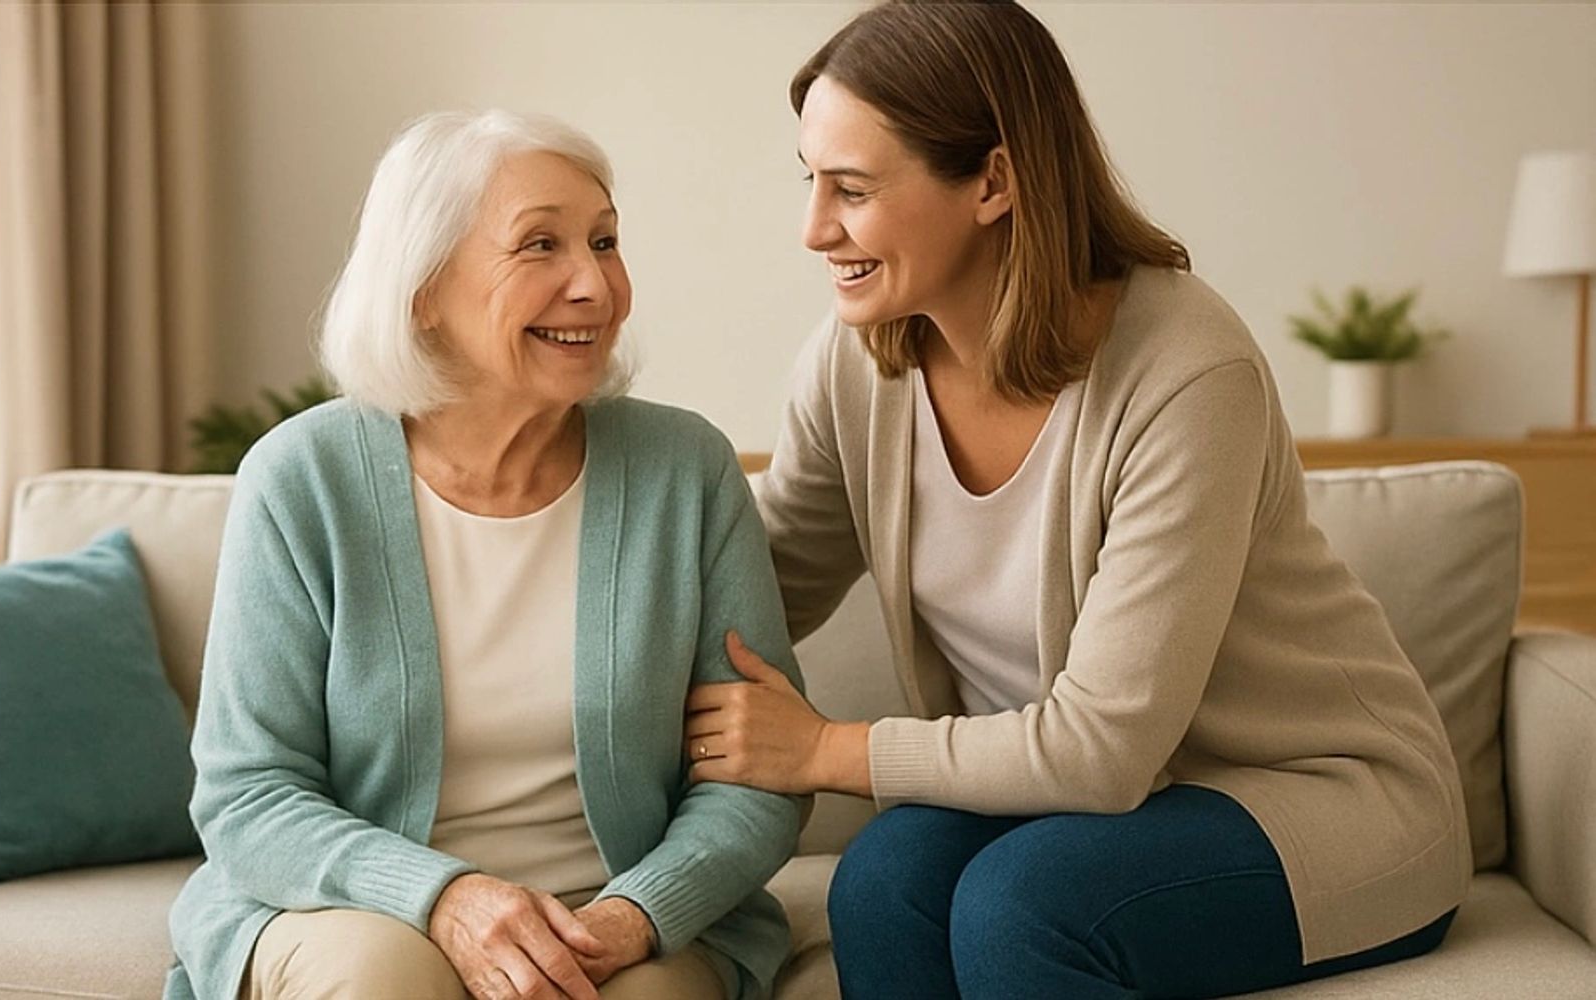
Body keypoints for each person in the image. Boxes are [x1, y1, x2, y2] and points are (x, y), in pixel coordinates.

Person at [684, 3, 1470, 997]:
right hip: (1091, 810)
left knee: (1022, 905)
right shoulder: (856, 368)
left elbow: (1101, 750)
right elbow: (758, 588)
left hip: (1318, 803)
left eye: (852, 188)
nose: (812, 229)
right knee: (880, 882)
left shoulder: (1186, 369)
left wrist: (825, 751)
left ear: (993, 181)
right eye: (811, 182)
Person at [165, 109, 801, 1000]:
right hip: (364, 909)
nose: (595, 285)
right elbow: (249, 795)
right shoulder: (302, 479)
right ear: (422, 287)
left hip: (620, 912)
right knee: (380, 982)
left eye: (605, 241)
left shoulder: (684, 469)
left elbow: (763, 772)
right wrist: (444, 898)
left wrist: (634, 915)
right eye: (539, 245)